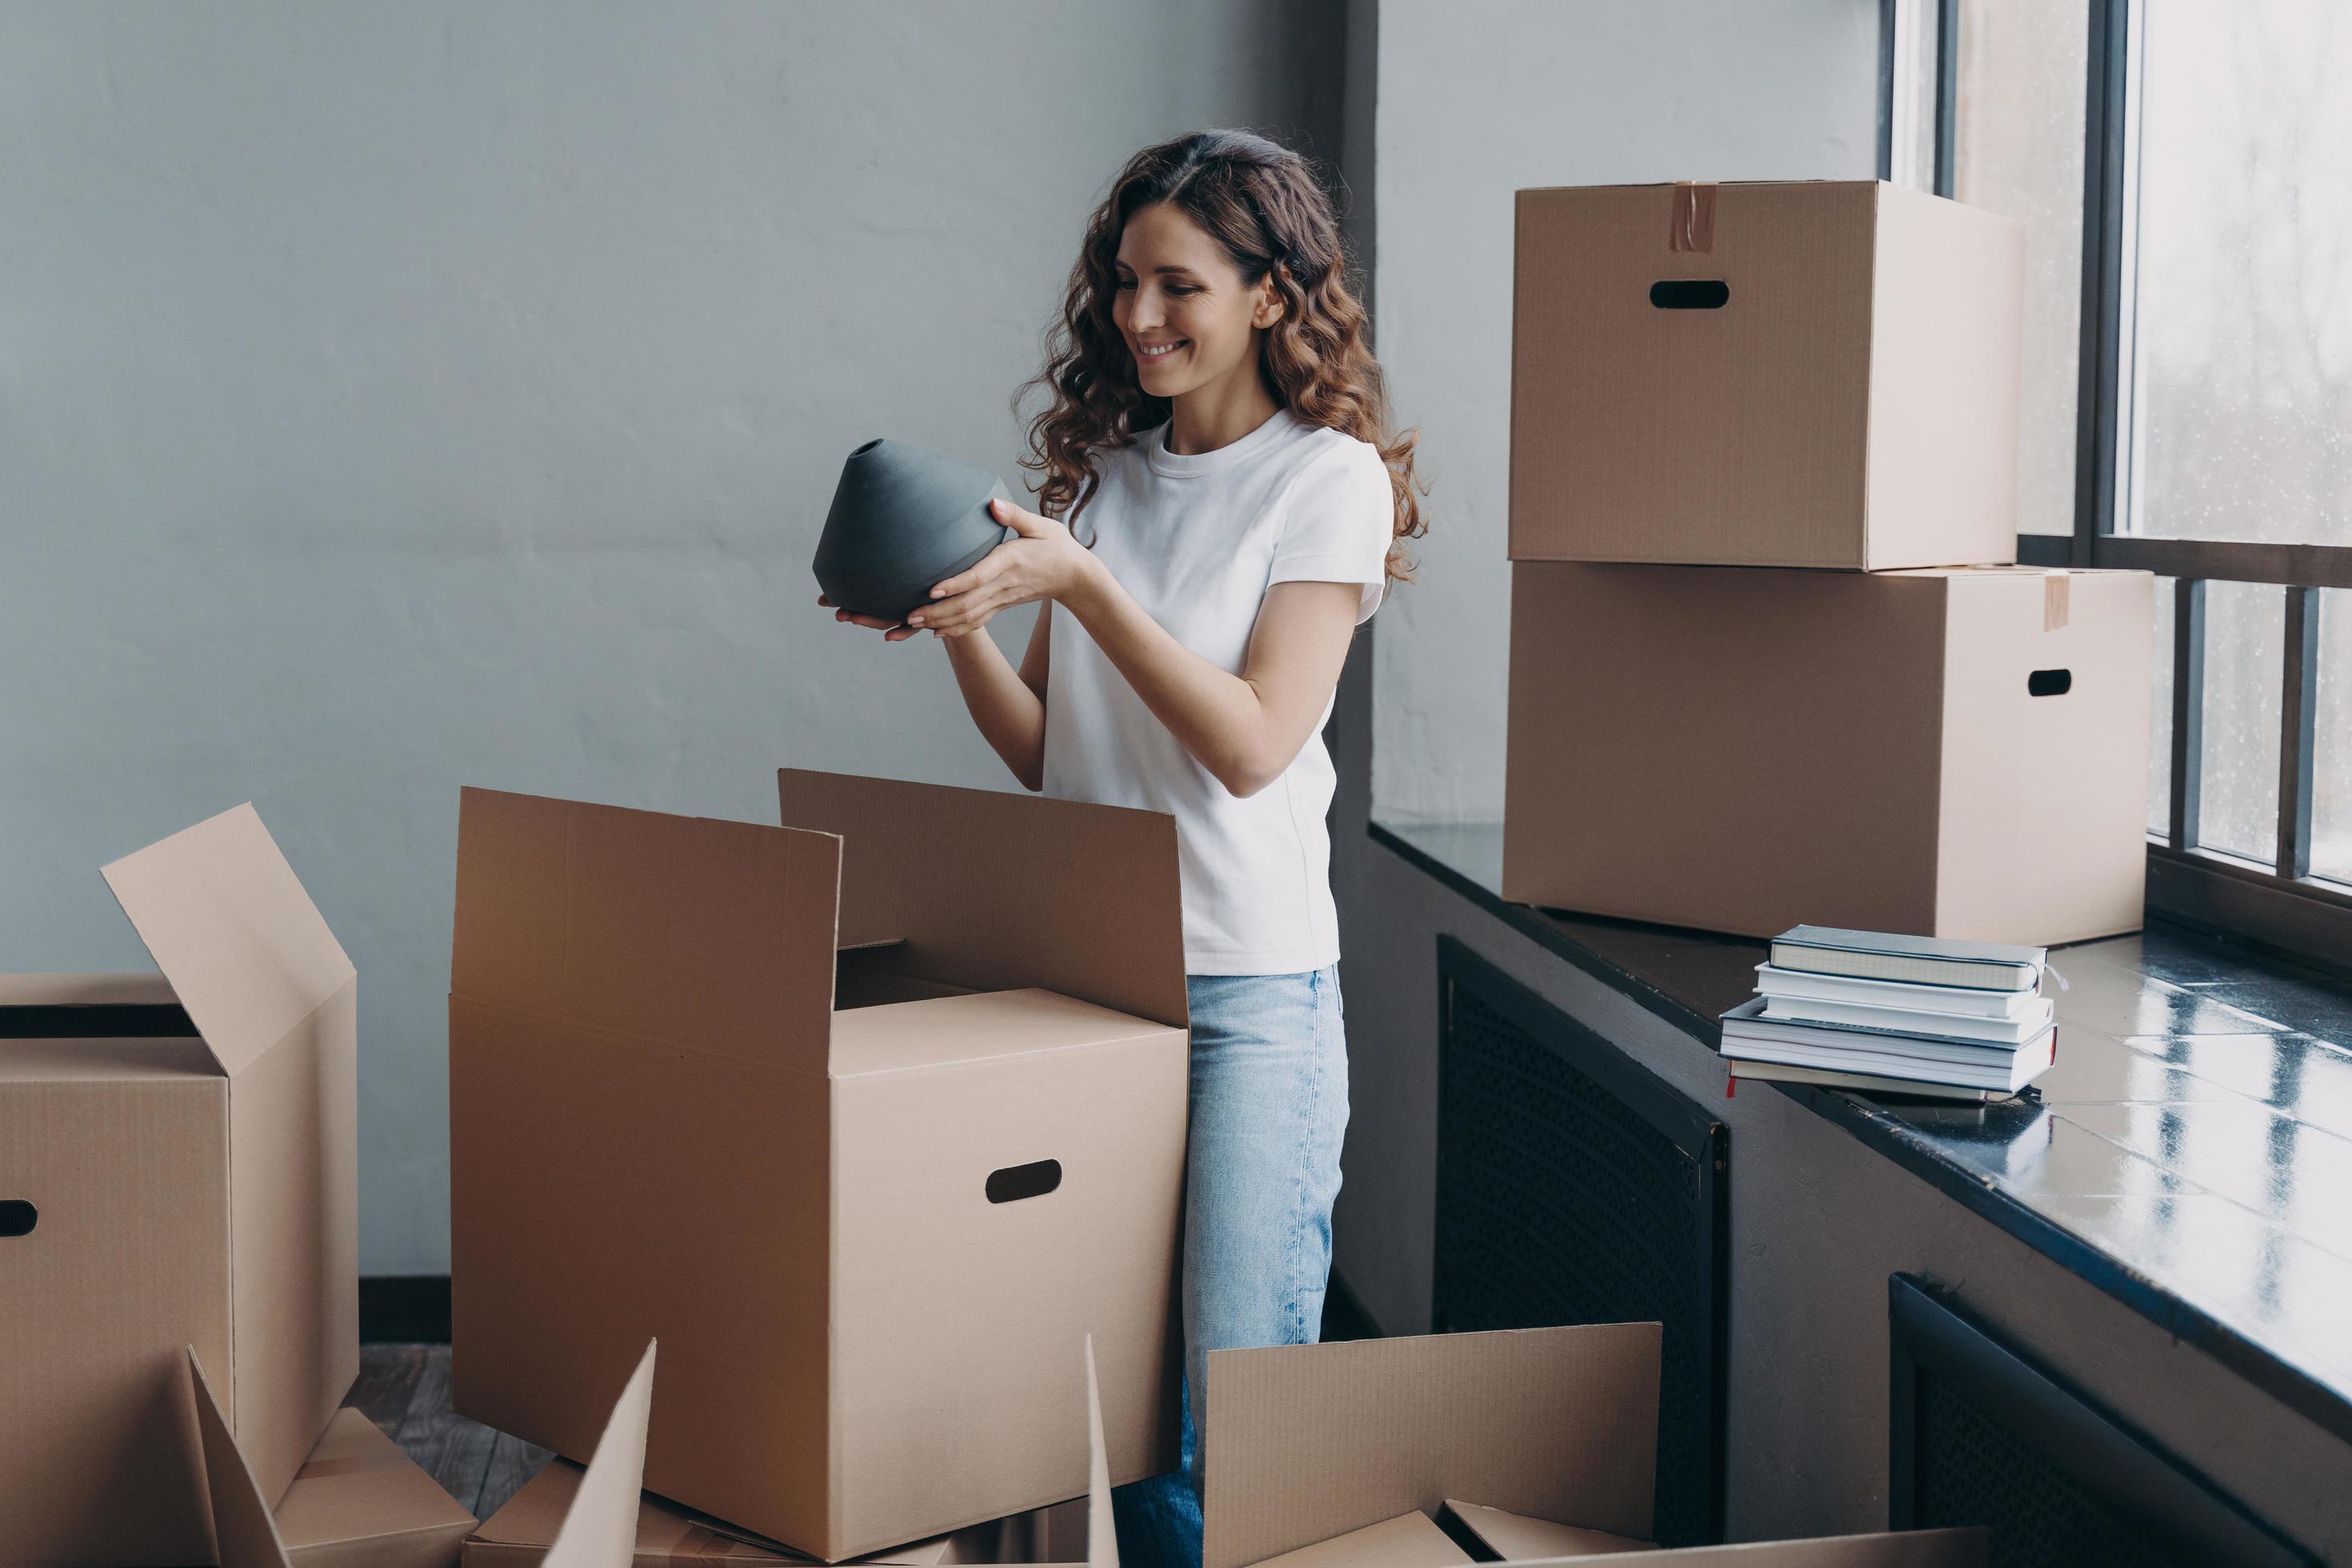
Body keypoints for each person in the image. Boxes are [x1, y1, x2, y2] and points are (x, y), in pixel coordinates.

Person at [821, 128, 1425, 1567]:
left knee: (1226, 1422)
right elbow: (1055, 751)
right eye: (1121, 284)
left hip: (1249, 998)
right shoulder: (1095, 486)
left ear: (1273, 296)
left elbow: (1254, 744)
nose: (1137, 317)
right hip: (1094, 992)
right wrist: (960, 629)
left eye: (1178, 286)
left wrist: (1082, 585)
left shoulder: (1324, 482)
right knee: (1103, 1407)